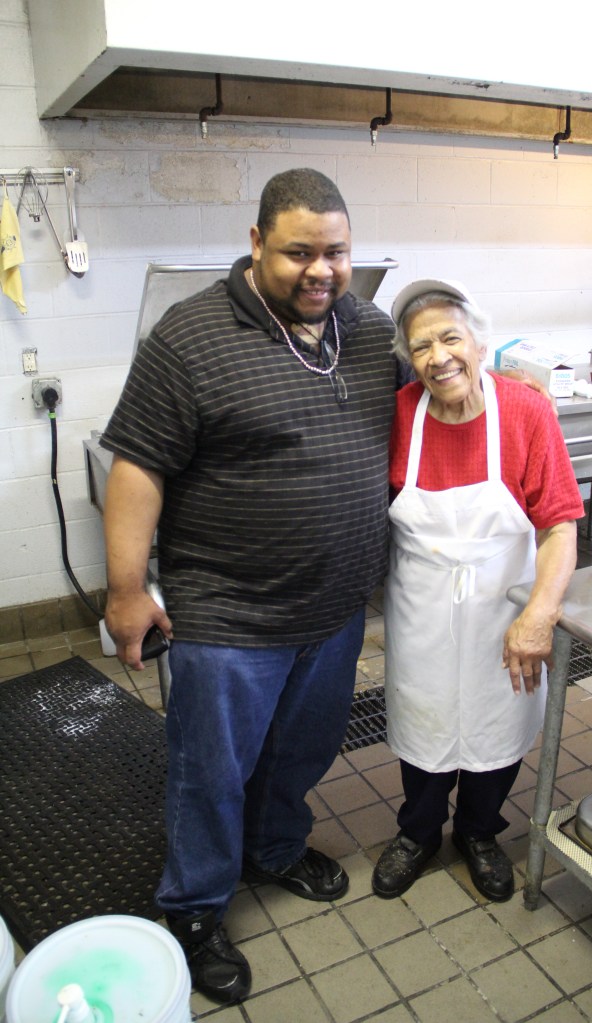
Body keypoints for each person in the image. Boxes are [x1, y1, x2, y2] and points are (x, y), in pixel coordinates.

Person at [100, 168, 400, 1005]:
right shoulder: (190, 337)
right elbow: (137, 468)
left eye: (336, 252)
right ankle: (192, 908)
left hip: (335, 607)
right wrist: (127, 589)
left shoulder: (369, 330)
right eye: (299, 252)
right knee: (210, 771)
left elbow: (441, 395)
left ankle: (274, 845)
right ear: (257, 241)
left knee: (301, 751)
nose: (321, 271)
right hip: (229, 616)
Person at [371, 279, 583, 905]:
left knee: (499, 719)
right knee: (422, 719)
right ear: (407, 358)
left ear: (480, 341)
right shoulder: (400, 411)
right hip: (421, 606)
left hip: (505, 604)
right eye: (421, 346)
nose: (439, 357)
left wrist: (540, 614)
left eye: (450, 338)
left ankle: (480, 832)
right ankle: (418, 833)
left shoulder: (525, 410)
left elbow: (559, 526)